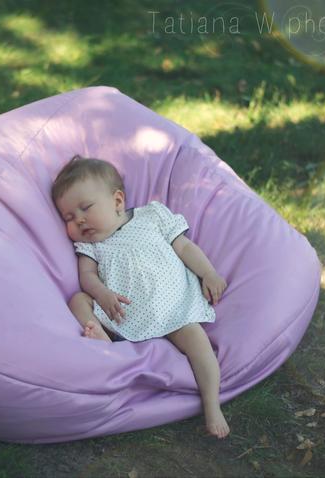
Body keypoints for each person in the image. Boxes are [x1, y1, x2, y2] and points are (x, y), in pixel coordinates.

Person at [51, 155, 230, 438]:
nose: (79, 220)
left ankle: (212, 405)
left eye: (85, 208)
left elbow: (184, 248)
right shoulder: (91, 246)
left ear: (117, 201)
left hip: (173, 308)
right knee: (78, 300)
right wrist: (103, 294)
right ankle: (104, 340)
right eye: (69, 218)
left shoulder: (152, 215)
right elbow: (87, 277)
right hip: (122, 313)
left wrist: (208, 273)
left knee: (200, 345)